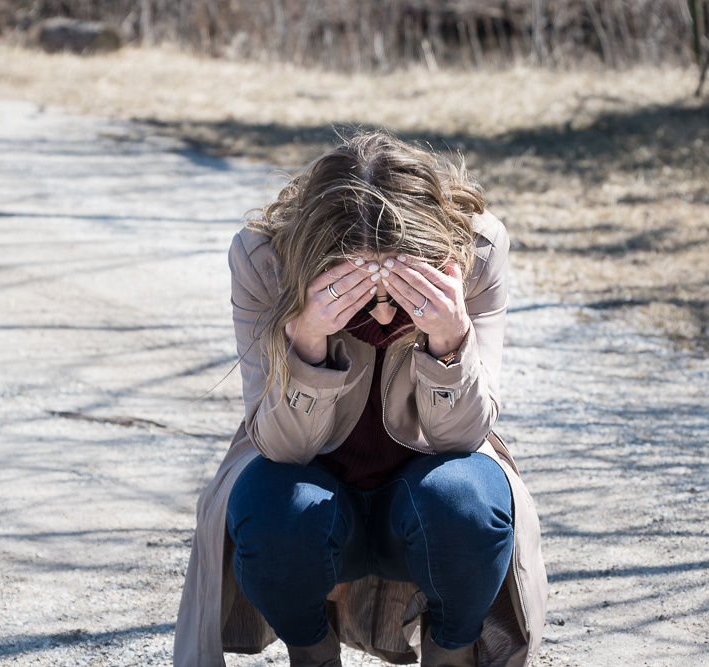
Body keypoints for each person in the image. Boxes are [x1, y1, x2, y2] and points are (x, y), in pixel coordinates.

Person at [173, 132, 547, 667]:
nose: (387, 316)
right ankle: (312, 653)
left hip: (426, 500)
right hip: (312, 496)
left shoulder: (473, 251)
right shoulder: (265, 260)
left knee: (467, 501)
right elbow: (280, 447)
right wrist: (307, 340)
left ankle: (452, 653)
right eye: (360, 296)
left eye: (400, 294)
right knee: (271, 507)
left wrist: (448, 340)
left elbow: (463, 437)